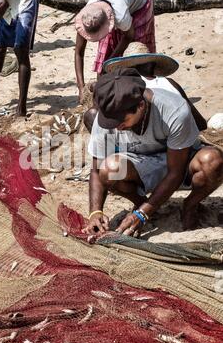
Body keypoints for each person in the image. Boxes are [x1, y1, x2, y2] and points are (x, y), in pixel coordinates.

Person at [84, 68, 223, 237]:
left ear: (141, 106)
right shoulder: (108, 116)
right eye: (111, 122)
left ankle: (190, 205)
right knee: (109, 169)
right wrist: (95, 212)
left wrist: (142, 214)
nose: (116, 127)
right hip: (141, 162)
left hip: (182, 161)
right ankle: (142, 202)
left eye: (122, 121)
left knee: (212, 161)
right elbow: (96, 170)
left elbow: (175, 173)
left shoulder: (174, 110)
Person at [83, 42, 207, 133]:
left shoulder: (123, 86)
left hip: (140, 141)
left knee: (92, 114)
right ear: (153, 66)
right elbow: (200, 123)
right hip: (175, 137)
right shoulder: (170, 83)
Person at [75, 0, 156, 104]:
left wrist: (110, 61)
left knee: (136, 54)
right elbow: (79, 53)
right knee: (105, 57)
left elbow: (129, 36)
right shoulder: (87, 18)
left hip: (139, 4)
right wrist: (81, 87)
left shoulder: (120, 15)